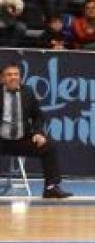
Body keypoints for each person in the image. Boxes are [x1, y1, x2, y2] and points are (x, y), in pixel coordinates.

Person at [0, 62, 72, 198]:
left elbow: (38, 115)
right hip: (2, 140)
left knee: (48, 146)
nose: (13, 77)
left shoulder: (27, 92)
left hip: (22, 139)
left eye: (16, 74)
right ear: (2, 78)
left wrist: (38, 133)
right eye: (9, 75)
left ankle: (51, 188)